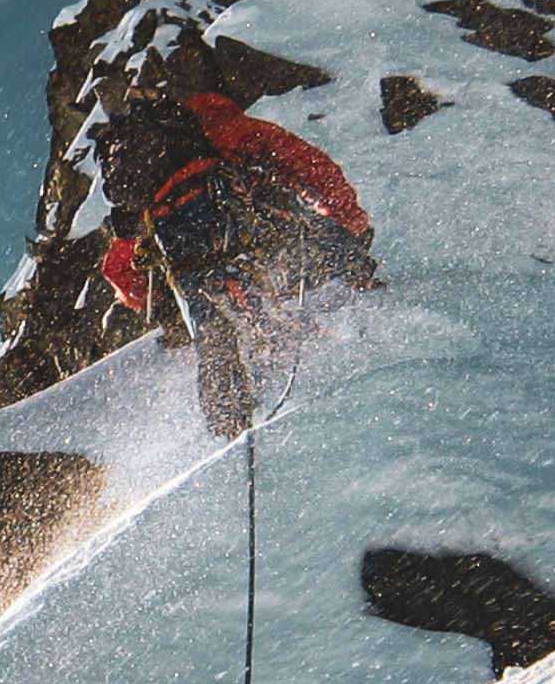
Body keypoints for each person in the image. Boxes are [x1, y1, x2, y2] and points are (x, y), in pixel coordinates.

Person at [94, 90, 379, 436]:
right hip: (236, 220)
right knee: (313, 244)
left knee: (212, 325)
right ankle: (366, 295)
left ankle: (227, 425)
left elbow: (118, 270)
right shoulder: (220, 126)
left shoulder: (144, 182)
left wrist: (150, 301)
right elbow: (304, 163)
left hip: (183, 252)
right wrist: (349, 219)